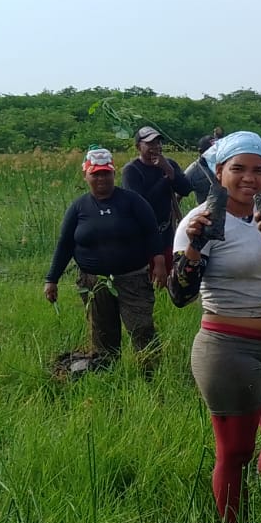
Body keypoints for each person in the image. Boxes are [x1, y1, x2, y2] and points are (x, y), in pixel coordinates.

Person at [168, 132, 261, 523]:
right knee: (236, 451)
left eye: (259, 170)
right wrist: (195, 246)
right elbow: (179, 295)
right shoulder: (202, 221)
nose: (249, 178)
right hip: (228, 347)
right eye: (238, 169)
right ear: (218, 172)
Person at [43, 148, 164, 362]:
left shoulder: (133, 201)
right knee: (102, 334)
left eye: (106, 173)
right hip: (94, 282)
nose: (101, 178)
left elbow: (152, 232)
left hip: (133, 279)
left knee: (141, 329)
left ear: (113, 173)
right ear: (86, 175)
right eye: (96, 174)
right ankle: (107, 370)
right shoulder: (78, 207)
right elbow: (65, 244)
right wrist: (52, 279)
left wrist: (159, 262)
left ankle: (151, 372)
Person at [121, 126, 193, 280]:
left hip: (166, 232)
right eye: (150, 144)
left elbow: (186, 189)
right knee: (145, 279)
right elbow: (140, 204)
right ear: (138, 147)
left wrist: (169, 170)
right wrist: (165, 180)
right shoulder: (132, 170)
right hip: (142, 235)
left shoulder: (169, 164)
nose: (156, 147)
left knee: (170, 278)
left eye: (158, 143)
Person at [184, 134, 217, 201]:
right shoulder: (192, 172)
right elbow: (178, 195)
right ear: (200, 151)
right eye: (210, 151)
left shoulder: (225, 164)